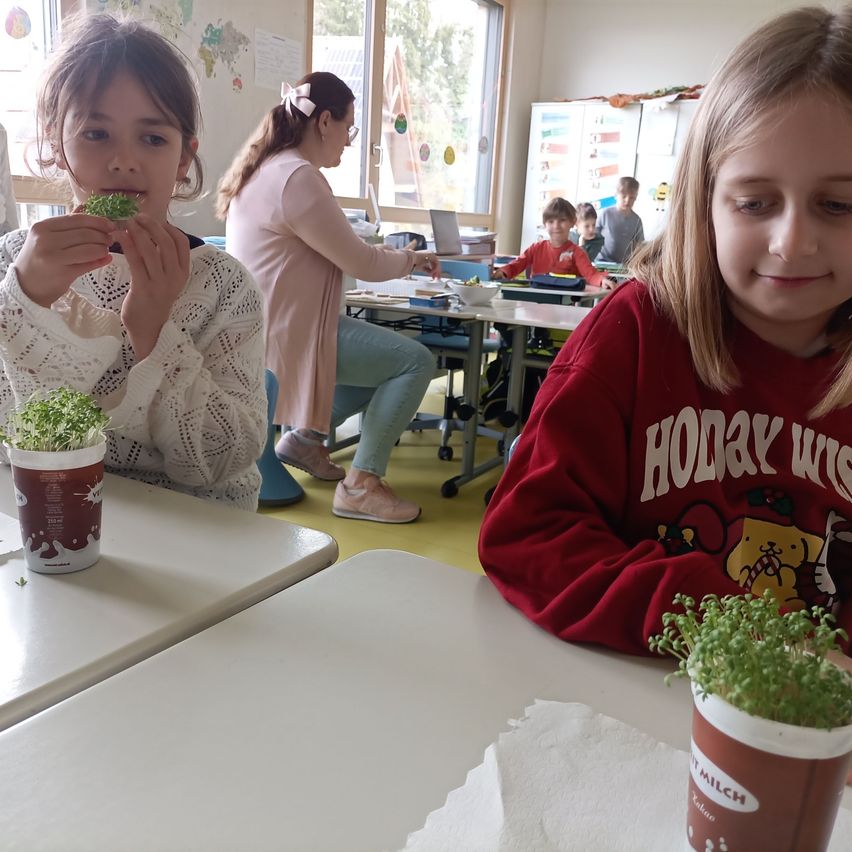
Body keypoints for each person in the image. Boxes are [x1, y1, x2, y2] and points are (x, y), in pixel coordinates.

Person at [479, 4, 852, 659]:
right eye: (756, 202)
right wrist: (713, 623)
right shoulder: (633, 335)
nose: (792, 244)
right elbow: (525, 536)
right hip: (638, 700)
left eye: (839, 204)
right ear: (703, 201)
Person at [0, 14, 267, 511]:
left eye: (152, 138)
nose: (124, 160)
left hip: (198, 533)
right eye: (96, 134)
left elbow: (227, 455)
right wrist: (25, 306)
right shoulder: (13, 263)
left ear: (184, 158)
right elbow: (13, 433)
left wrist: (154, 330)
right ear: (58, 145)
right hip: (53, 517)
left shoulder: (225, 286)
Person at [218, 72, 439, 524]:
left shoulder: (268, 169)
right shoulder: (297, 177)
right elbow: (364, 263)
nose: (348, 140)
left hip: (267, 328)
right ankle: (361, 486)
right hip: (288, 334)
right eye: (348, 127)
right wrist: (413, 259)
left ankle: (304, 438)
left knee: (381, 364)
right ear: (324, 122)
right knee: (414, 361)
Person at [492, 197, 615, 288]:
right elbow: (517, 264)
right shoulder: (536, 248)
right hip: (534, 303)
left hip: (563, 305)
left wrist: (601, 280)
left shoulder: (577, 252)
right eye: (551, 221)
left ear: (572, 222)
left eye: (562, 220)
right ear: (545, 224)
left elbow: (590, 274)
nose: (556, 226)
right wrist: (503, 271)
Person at [595, 176, 644, 265]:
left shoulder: (637, 220)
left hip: (623, 265)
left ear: (636, 198)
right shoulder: (606, 214)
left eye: (632, 197)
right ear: (616, 195)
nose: (627, 200)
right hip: (602, 262)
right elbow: (593, 235)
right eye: (624, 196)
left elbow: (639, 244)